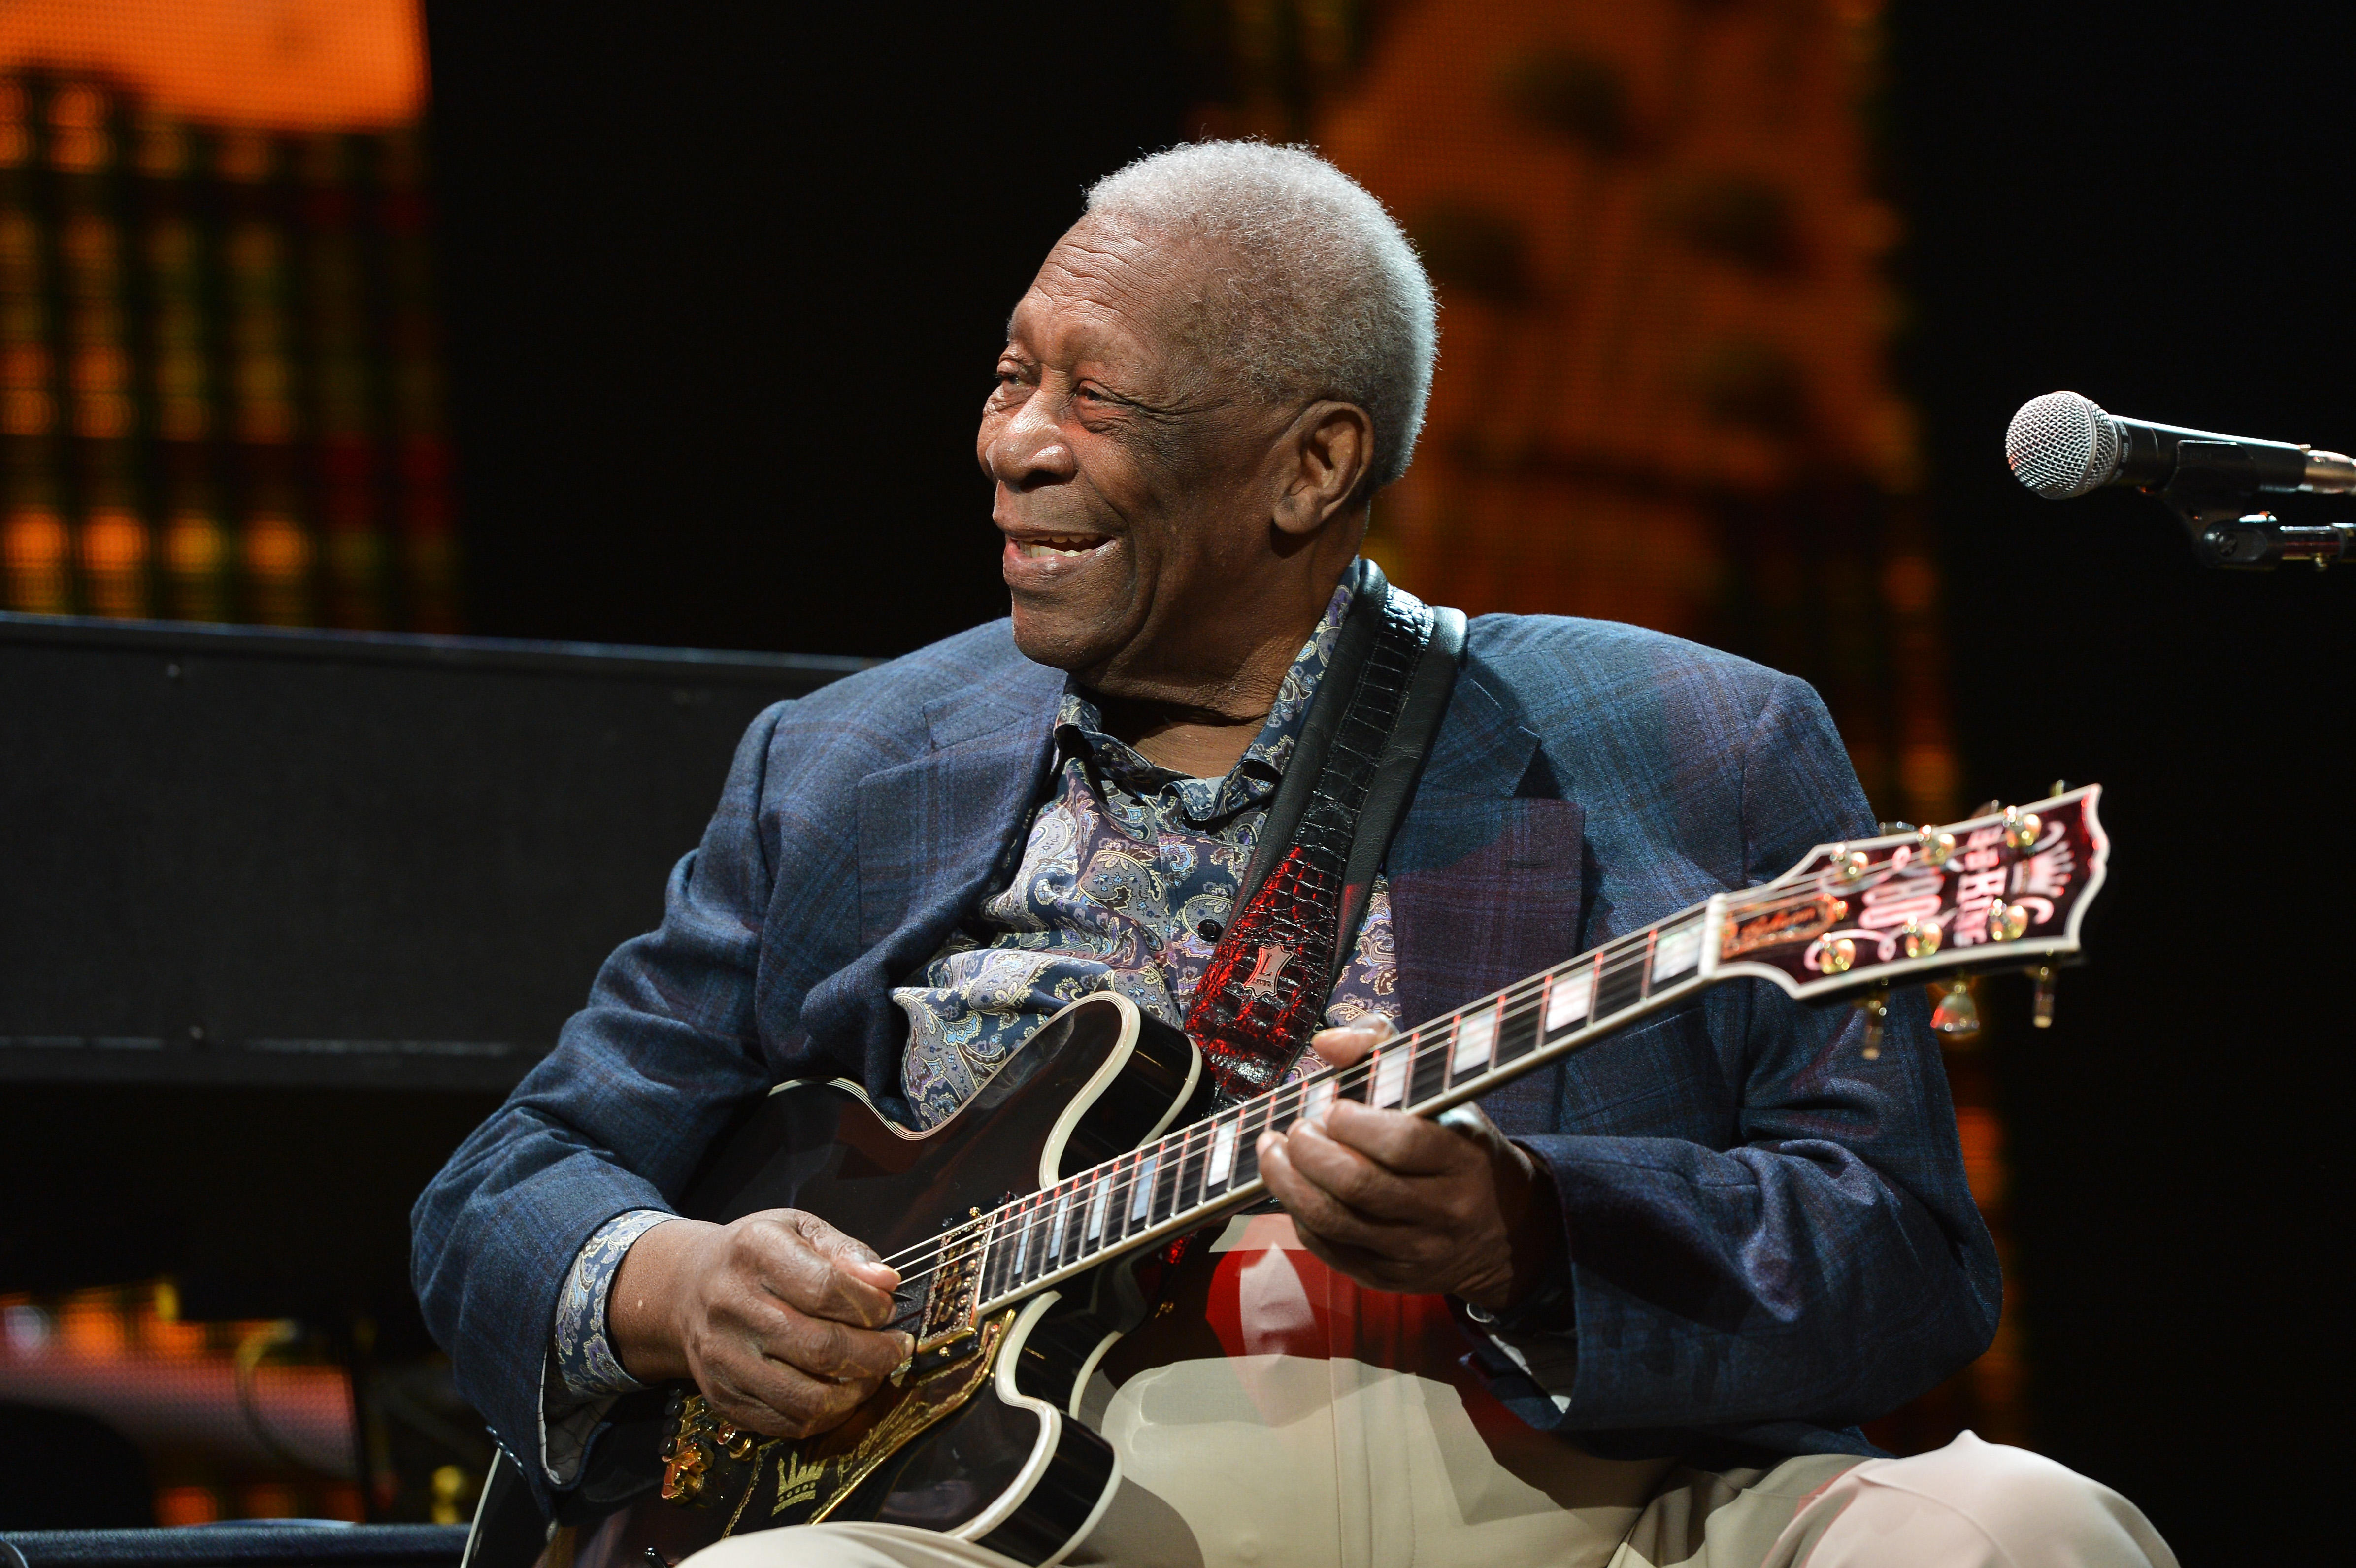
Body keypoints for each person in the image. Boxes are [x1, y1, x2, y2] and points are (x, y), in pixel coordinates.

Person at [410, 142, 2174, 1568]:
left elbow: (1908, 1258)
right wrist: (667, 1281)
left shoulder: (1690, 735)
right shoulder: (857, 763)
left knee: (2016, 1529)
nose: (1014, 446)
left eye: (1098, 402)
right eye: (1014, 375)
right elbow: (518, 1175)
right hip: (1015, 1522)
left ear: (1310, 466)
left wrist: (1529, 1232)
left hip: (1583, 1487)